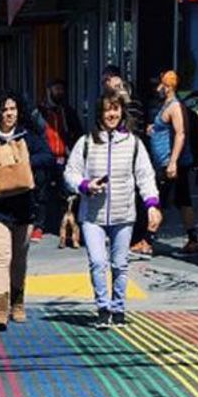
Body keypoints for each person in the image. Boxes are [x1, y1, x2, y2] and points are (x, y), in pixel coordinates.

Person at [64, 89, 159, 329]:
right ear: (99, 113)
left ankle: (118, 309)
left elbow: (145, 176)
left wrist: (151, 205)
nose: (112, 114)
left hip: (123, 214)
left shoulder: (133, 144)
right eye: (107, 110)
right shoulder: (86, 142)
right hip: (92, 216)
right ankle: (103, 308)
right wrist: (85, 185)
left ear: (122, 112)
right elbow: (70, 173)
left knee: (119, 264)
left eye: (115, 109)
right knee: (98, 262)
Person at [0, 90, 54, 330]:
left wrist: (25, 163)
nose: (9, 114)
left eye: (13, 109)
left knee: (19, 258)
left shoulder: (28, 136)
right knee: (1, 257)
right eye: (4, 110)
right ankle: (0, 311)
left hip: (23, 208)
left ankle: (17, 304)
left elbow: (48, 157)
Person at [140, 69, 198, 255]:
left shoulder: (174, 107)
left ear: (168, 87)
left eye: (161, 85)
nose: (158, 88)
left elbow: (180, 134)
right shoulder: (166, 106)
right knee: (183, 200)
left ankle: (147, 241)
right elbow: (165, 129)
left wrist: (173, 162)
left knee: (159, 200)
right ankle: (193, 240)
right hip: (168, 162)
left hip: (171, 164)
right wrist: (153, 129)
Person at [35, 77, 82, 241]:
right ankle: (39, 226)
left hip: (64, 157)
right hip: (45, 158)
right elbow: (34, 135)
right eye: (56, 89)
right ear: (49, 91)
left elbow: (78, 133)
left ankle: (67, 226)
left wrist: (74, 152)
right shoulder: (39, 113)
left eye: (61, 89)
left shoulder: (68, 111)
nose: (59, 92)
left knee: (67, 193)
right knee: (41, 192)